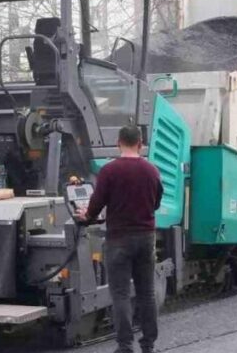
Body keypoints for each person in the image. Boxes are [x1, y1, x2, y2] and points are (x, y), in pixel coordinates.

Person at [76, 125, 162, 353]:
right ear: (140, 144)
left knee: (121, 294)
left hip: (119, 239)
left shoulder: (109, 171)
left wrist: (86, 216)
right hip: (146, 237)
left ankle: (125, 346)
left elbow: (96, 206)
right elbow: (156, 203)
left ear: (118, 143)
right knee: (147, 293)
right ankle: (148, 344)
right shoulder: (152, 171)